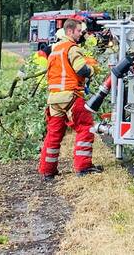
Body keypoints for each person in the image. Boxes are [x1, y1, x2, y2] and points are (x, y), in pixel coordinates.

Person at [38, 19, 101, 178]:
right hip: (70, 96)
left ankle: (47, 171)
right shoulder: (72, 48)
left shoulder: (54, 50)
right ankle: (83, 167)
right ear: (70, 31)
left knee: (53, 135)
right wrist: (92, 70)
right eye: (79, 31)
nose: (81, 34)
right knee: (86, 127)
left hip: (54, 99)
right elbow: (81, 69)